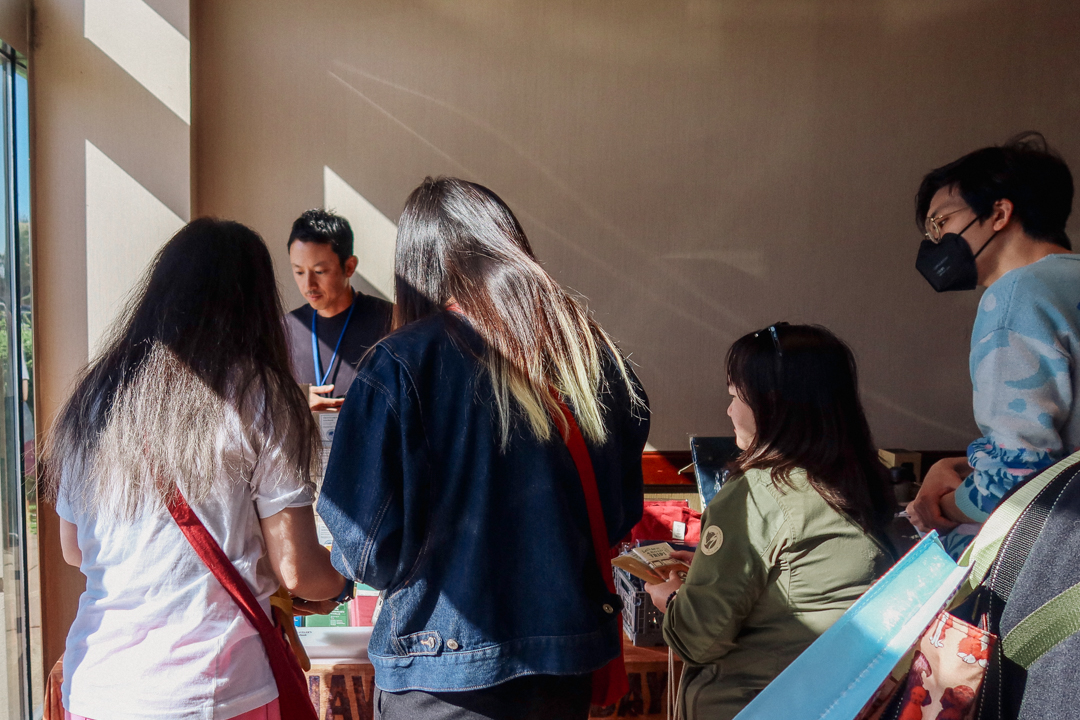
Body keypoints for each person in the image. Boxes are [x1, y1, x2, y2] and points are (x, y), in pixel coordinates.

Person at [316, 177, 650, 720]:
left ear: (416, 270)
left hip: (439, 677)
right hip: (561, 675)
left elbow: (365, 548)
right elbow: (617, 517)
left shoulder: (400, 364)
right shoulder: (593, 357)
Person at [44, 219, 350, 720]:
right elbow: (299, 570)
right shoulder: (261, 395)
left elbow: (74, 549)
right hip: (216, 689)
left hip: (98, 684)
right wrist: (341, 587)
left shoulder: (94, 396)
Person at [647, 323, 896, 720]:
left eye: (735, 396)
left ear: (771, 403)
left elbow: (698, 639)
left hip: (756, 703)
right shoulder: (864, 480)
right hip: (837, 699)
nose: (729, 410)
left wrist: (673, 599)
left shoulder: (757, 494)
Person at [906, 132, 1080, 558]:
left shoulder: (1017, 296)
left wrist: (936, 508)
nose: (934, 242)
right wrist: (963, 468)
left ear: (999, 213)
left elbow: (1019, 476)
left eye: (939, 223)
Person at [285, 209, 393, 410]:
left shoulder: (390, 321)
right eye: (298, 271)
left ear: (349, 267)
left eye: (320, 272)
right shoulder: (285, 329)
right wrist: (297, 400)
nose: (308, 284)